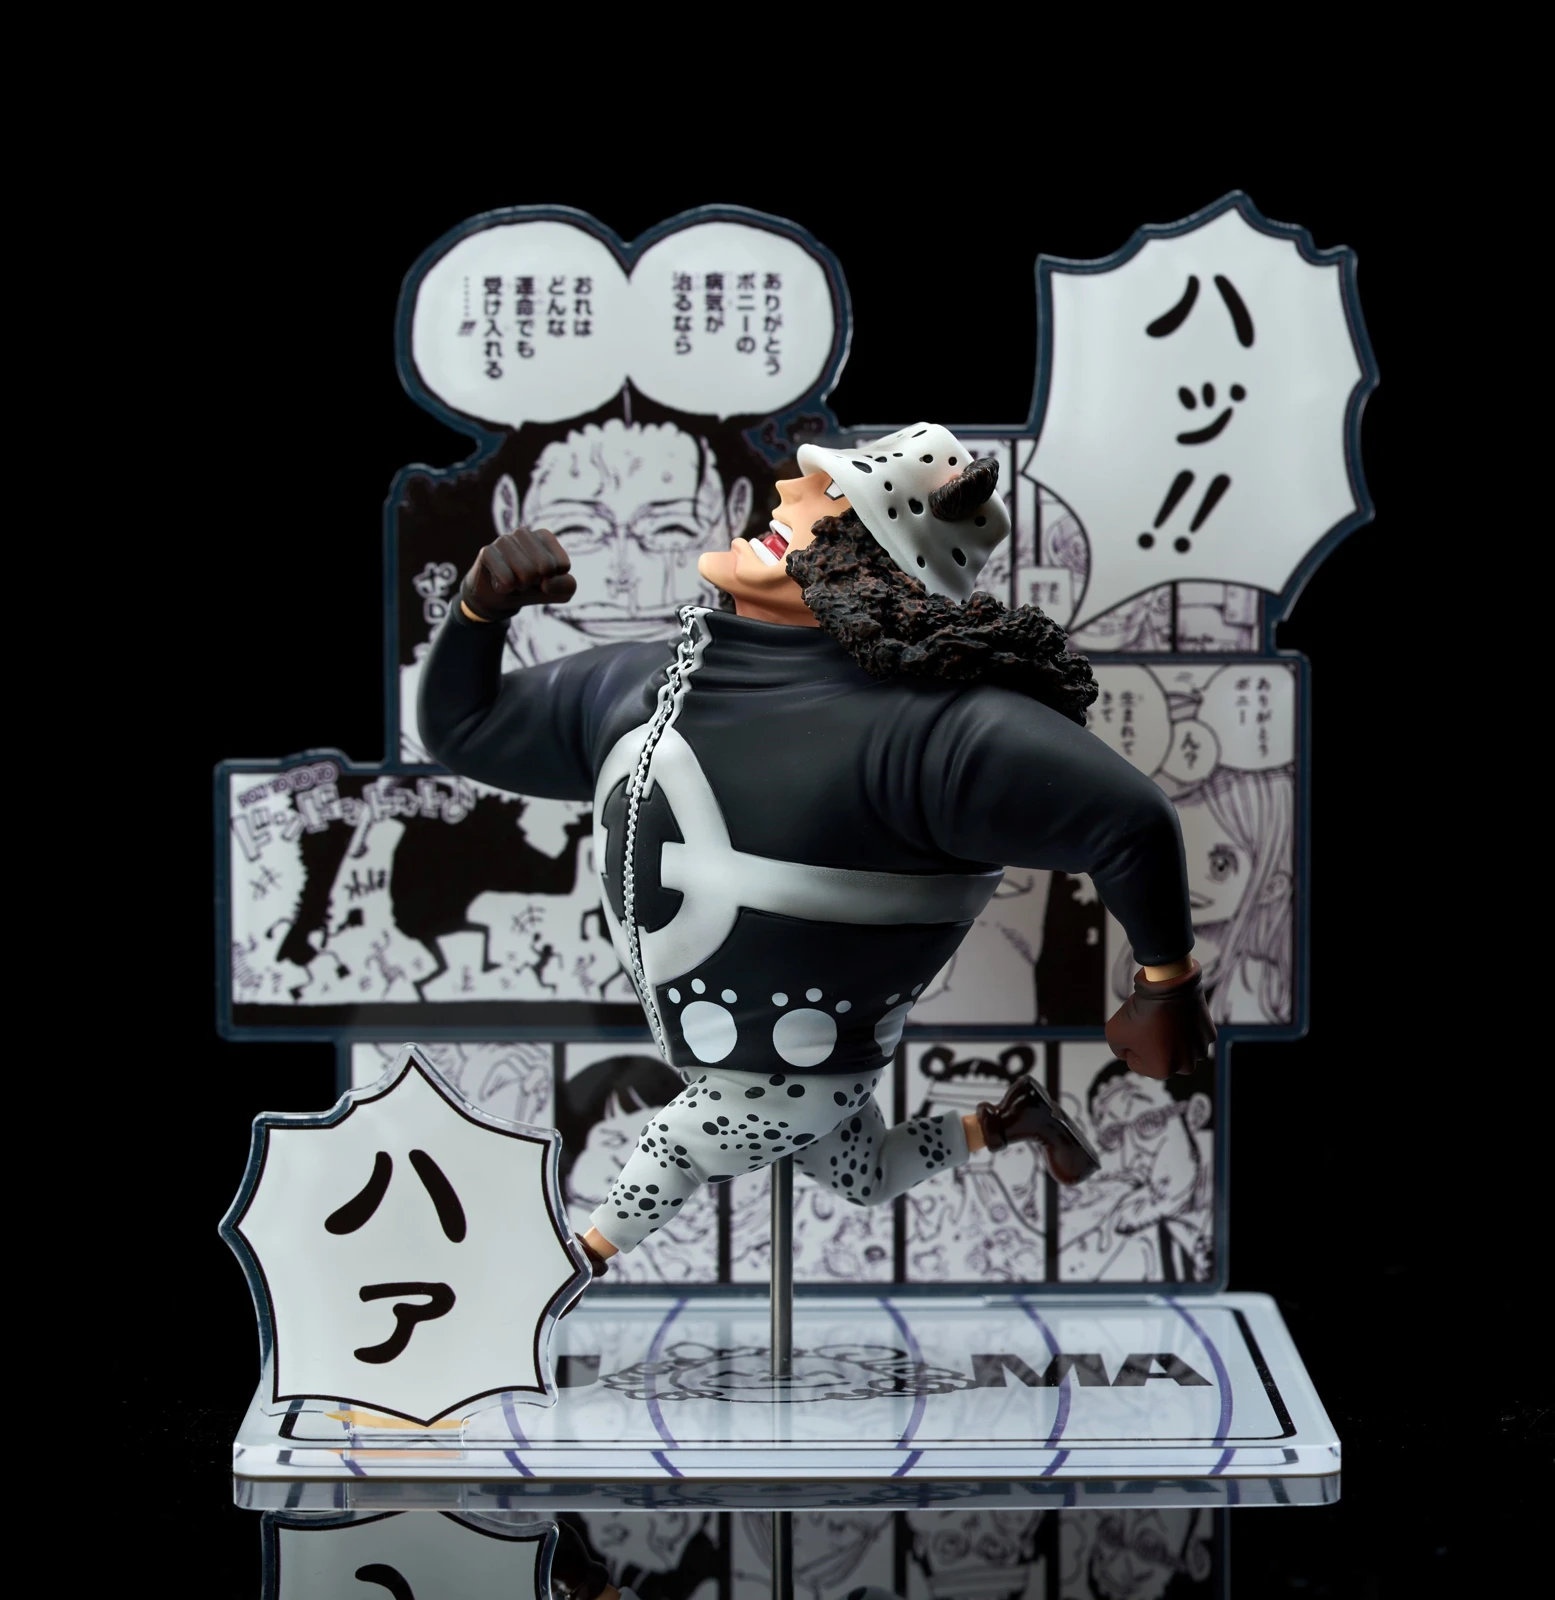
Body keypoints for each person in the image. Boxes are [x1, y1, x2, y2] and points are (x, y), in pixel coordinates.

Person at [418, 422, 1215, 1279]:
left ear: (873, 560)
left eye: (830, 493)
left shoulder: (938, 735)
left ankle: (566, 1268)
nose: (787, 491)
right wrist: (478, 614)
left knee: (674, 1147)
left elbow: (1130, 819)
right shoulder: (636, 683)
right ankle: (1006, 1121)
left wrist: (1164, 986)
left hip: (795, 1068)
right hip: (753, 1052)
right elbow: (467, 730)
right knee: (863, 1175)